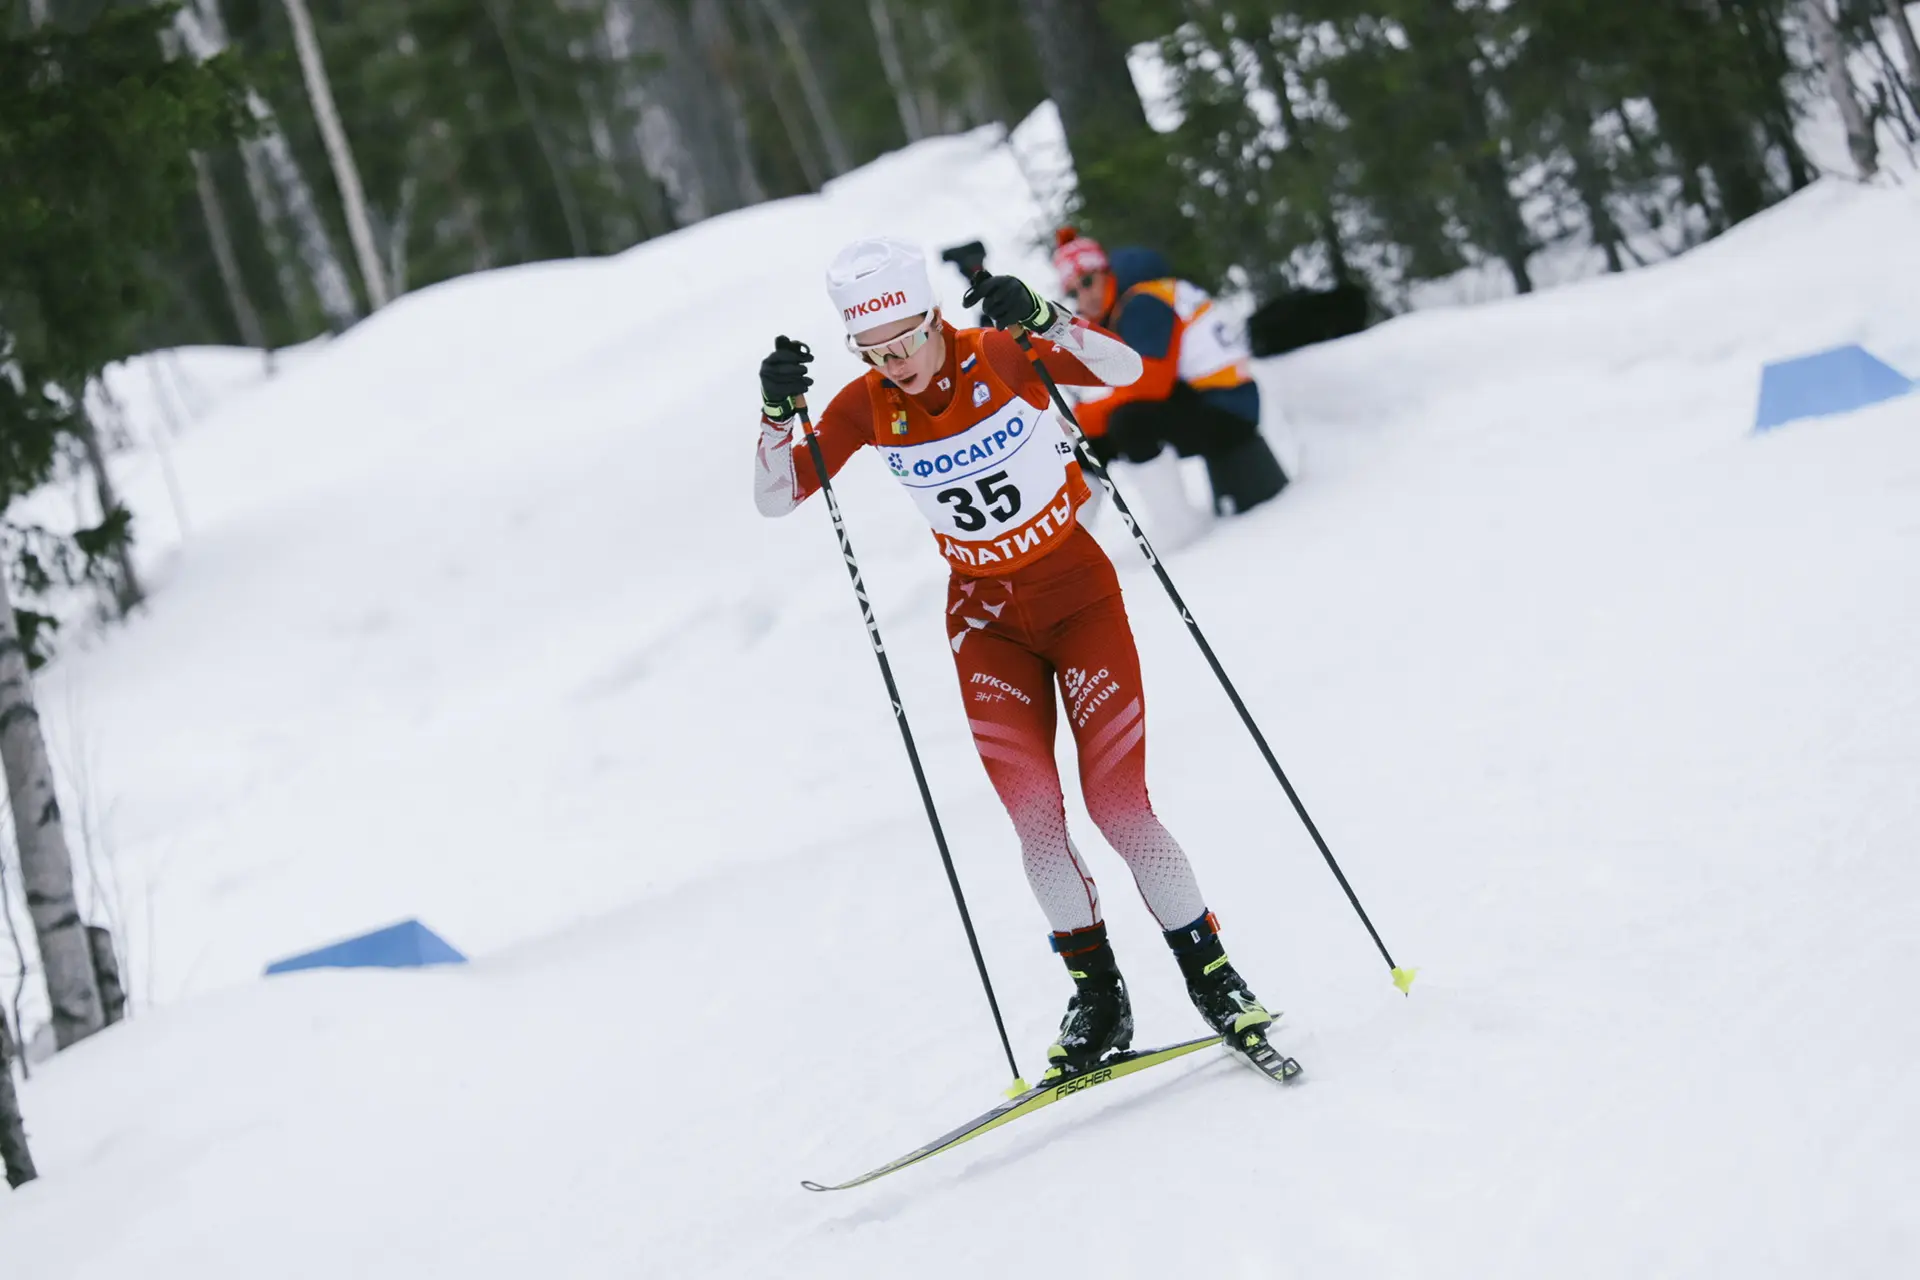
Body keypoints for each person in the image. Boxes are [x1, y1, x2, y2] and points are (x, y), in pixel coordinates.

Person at [752, 237, 1281, 1080]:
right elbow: (778, 497)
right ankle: (1099, 999)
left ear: (934, 320)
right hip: (985, 625)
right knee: (1034, 820)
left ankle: (1215, 979)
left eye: (907, 342)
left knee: (1118, 806)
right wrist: (779, 416)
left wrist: (1047, 318)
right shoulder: (866, 404)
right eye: (874, 352)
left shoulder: (1000, 354)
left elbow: (1120, 368)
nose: (897, 365)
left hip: (1078, 600)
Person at [1052, 227, 1289, 515]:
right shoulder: (1142, 296)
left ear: (1105, 272)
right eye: (1073, 292)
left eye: (1087, 282)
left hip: (1230, 410)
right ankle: (1073, 530)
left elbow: (1151, 385)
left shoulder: (1142, 303)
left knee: (1127, 423)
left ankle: (1176, 525)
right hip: (1214, 399)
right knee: (1098, 435)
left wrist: (1082, 417)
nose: (1084, 297)